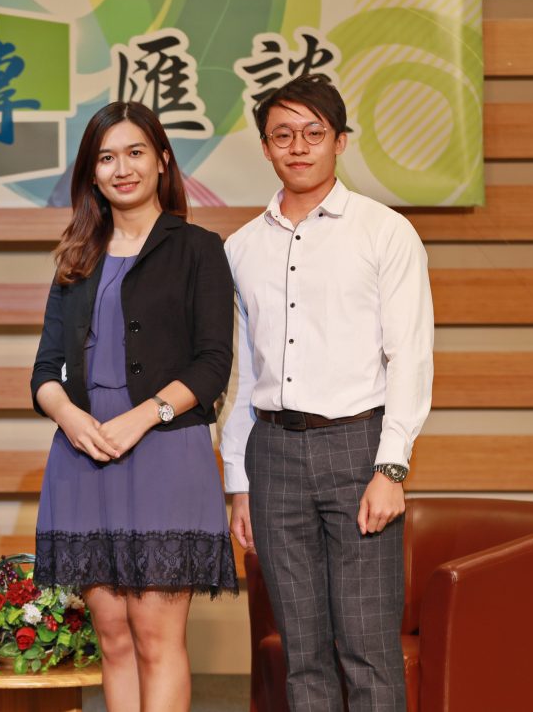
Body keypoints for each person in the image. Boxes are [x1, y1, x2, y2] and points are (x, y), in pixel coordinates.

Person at [222, 73, 434, 712]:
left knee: (368, 647)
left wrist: (390, 467)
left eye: (314, 133)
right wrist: (238, 479)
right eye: (282, 134)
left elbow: (411, 357)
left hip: (358, 450)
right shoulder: (241, 247)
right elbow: (239, 373)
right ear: (265, 147)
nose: (299, 146)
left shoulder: (384, 232)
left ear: (340, 140)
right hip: (273, 456)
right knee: (301, 651)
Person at [30, 101, 238, 712]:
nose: (122, 168)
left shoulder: (199, 248)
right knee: (112, 639)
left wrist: (144, 416)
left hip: (166, 450)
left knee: (155, 637)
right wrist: (70, 418)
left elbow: (211, 364)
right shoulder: (76, 256)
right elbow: (45, 372)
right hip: (82, 455)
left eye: (136, 152)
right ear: (92, 173)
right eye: (106, 156)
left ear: (162, 159)